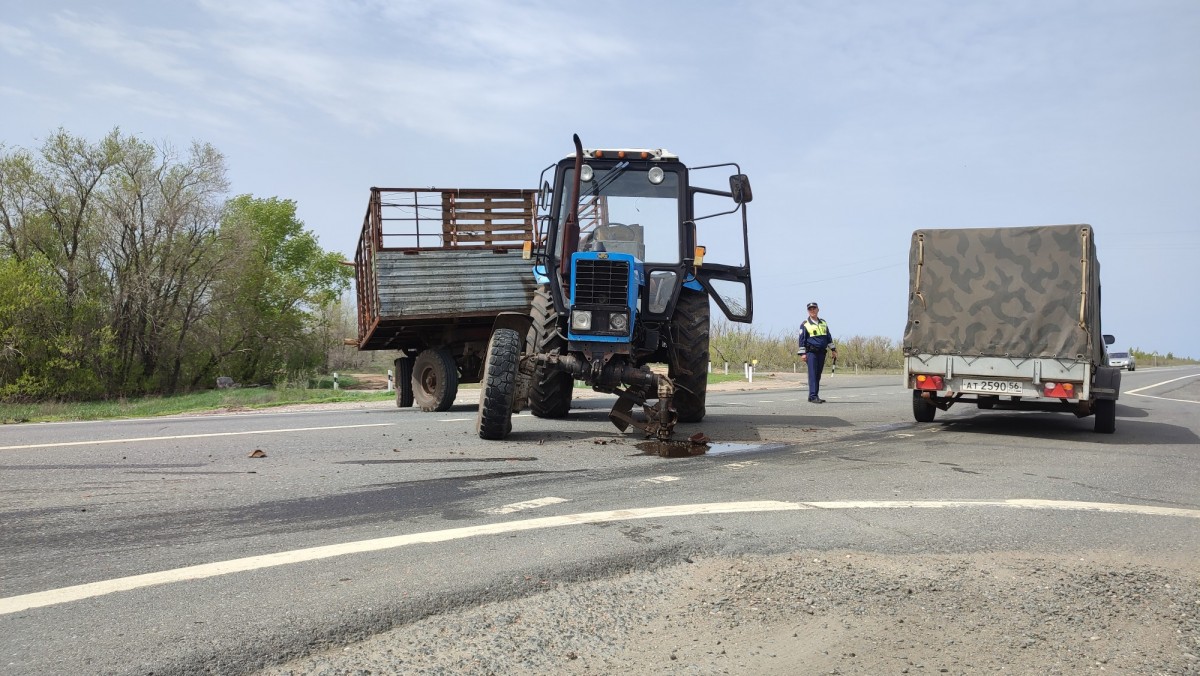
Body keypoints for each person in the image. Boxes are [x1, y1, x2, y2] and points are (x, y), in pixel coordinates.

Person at [797, 301, 837, 403]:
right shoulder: (805, 324)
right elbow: (802, 340)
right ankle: (814, 396)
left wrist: (833, 349)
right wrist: (802, 353)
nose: (812, 310)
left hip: (822, 353)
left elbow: (828, 337)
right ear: (808, 311)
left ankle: (813, 395)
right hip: (811, 353)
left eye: (814, 308)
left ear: (818, 310)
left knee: (818, 374)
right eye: (810, 309)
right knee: (813, 374)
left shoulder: (823, 322)